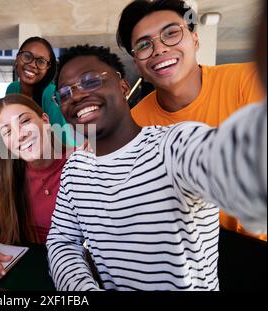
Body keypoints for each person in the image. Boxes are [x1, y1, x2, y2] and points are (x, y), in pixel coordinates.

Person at [46, 44, 266, 290]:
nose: (75, 96)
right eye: (64, 93)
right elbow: (62, 241)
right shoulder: (75, 169)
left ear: (123, 87)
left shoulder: (174, 144)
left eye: (90, 81)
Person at [116, 0, 265, 240]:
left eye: (171, 33)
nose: (159, 49)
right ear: (138, 66)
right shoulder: (135, 124)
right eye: (144, 45)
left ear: (195, 40)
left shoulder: (249, 81)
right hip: (191, 255)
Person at [0, 94, 73, 279]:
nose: (20, 134)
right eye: (7, 132)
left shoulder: (79, 160)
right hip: (26, 270)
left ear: (45, 120)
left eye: (25, 121)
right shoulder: (5, 174)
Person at [6, 37, 76, 146]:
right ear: (17, 58)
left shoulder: (50, 93)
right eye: (27, 56)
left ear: (48, 68)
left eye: (41, 61)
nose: (33, 65)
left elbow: (62, 143)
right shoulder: (12, 89)